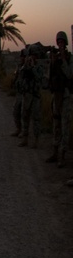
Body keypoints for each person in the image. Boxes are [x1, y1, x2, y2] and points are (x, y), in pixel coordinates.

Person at [47, 31, 72, 167]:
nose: (60, 44)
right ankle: (55, 152)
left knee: (64, 126)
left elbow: (69, 74)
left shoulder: (69, 58)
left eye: (62, 42)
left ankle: (62, 155)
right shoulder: (55, 58)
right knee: (56, 125)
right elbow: (49, 77)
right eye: (59, 42)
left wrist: (63, 59)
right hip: (56, 96)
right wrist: (52, 61)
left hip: (66, 96)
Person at [15, 52, 41, 148]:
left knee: (36, 118)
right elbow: (20, 76)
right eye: (30, 55)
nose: (31, 57)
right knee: (25, 117)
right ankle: (25, 139)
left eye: (33, 55)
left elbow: (39, 78)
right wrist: (26, 65)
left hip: (35, 96)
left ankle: (36, 140)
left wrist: (33, 67)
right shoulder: (25, 67)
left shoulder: (38, 67)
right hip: (27, 95)